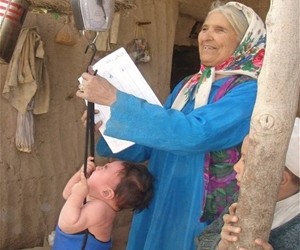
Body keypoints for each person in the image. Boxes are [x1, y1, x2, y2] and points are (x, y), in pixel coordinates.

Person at [76, 1, 266, 249]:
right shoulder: (188, 86)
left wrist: (115, 99)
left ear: (245, 41)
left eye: (220, 30)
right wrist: (106, 124)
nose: (206, 36)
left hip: (194, 207)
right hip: (161, 194)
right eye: (205, 28)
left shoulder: (248, 91)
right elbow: (153, 146)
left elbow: (195, 134)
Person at [196, 117, 300, 250]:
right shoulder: (242, 197)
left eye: (246, 161)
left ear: (280, 179)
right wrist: (221, 244)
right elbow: (206, 238)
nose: (236, 167)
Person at [52, 157, 153, 250]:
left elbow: (67, 225)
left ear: (106, 192)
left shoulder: (100, 210)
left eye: (105, 168)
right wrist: (80, 174)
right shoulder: (96, 198)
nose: (99, 167)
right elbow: (67, 194)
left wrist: (77, 196)